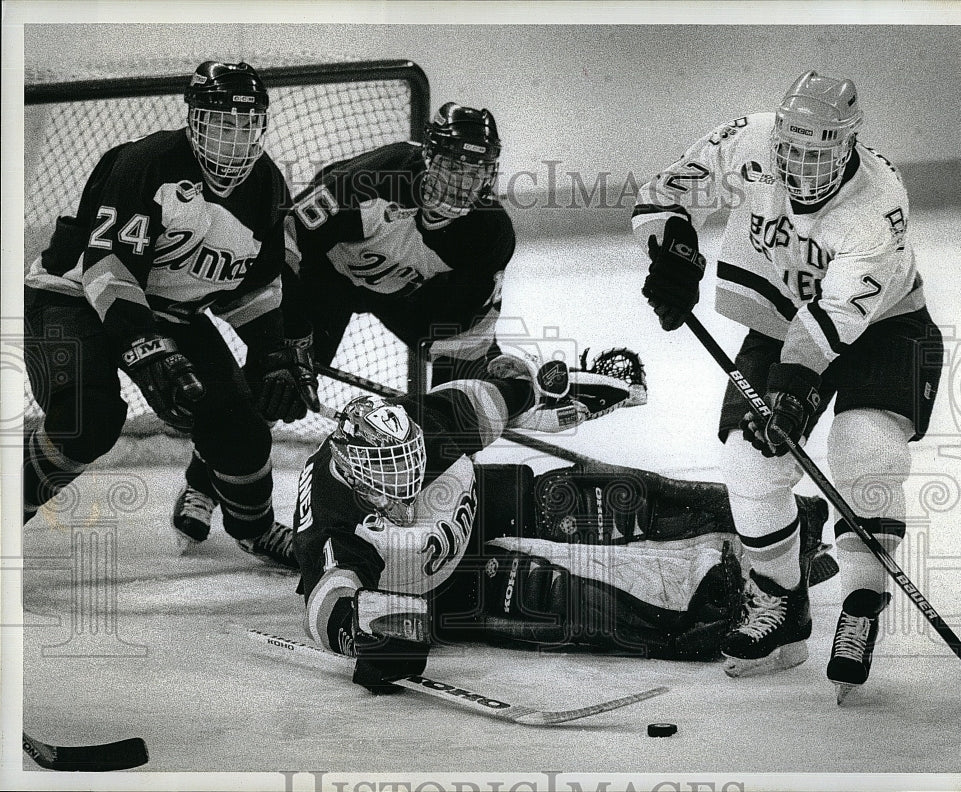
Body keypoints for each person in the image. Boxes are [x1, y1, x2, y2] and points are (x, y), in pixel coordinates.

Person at [634, 70, 944, 698]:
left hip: (883, 328)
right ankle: (781, 604)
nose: (800, 164)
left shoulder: (877, 207)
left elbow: (833, 323)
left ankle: (861, 599)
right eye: (792, 147)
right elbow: (662, 190)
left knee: (867, 450)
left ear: (849, 143)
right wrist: (672, 248)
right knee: (749, 463)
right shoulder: (744, 142)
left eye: (818, 150)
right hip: (781, 323)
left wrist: (796, 392)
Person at [288, 351, 833, 694]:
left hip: (478, 501)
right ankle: (719, 604)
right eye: (387, 470)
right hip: (439, 585)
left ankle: (783, 529)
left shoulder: (427, 428)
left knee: (605, 497)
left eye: (408, 459)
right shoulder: (335, 523)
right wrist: (369, 636)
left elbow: (503, 391)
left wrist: (568, 388)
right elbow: (324, 602)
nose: (404, 479)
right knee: (567, 596)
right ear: (349, 465)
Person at [172, 101, 515, 546]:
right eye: (452, 166)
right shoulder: (373, 180)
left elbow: (467, 333)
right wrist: (290, 339)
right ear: (429, 157)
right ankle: (202, 485)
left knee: (471, 391)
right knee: (276, 383)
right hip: (327, 278)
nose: (460, 184)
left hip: (406, 295)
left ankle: (443, 492)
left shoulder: (489, 233)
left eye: (474, 171)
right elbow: (289, 240)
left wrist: (450, 429)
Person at [23, 60, 319, 568]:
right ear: (195, 119)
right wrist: (147, 349)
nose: (235, 140)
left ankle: (255, 528)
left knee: (242, 428)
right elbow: (107, 269)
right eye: (223, 124)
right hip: (71, 297)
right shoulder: (148, 163)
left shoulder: (268, 186)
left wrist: (274, 353)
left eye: (246, 126)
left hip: (170, 313)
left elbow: (252, 287)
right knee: (87, 418)